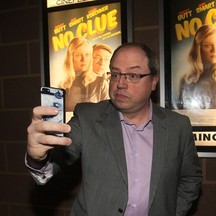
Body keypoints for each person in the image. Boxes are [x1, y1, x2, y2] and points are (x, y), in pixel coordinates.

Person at [26, 42, 203, 215]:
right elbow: (57, 160)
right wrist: (38, 159)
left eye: (133, 76)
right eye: (116, 74)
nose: (120, 83)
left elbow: (190, 179)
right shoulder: (88, 117)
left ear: (154, 81)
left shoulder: (178, 126)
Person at [60, 37, 98, 111]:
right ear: (71, 57)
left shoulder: (100, 82)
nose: (83, 59)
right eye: (78, 55)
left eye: (87, 54)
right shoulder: (62, 84)